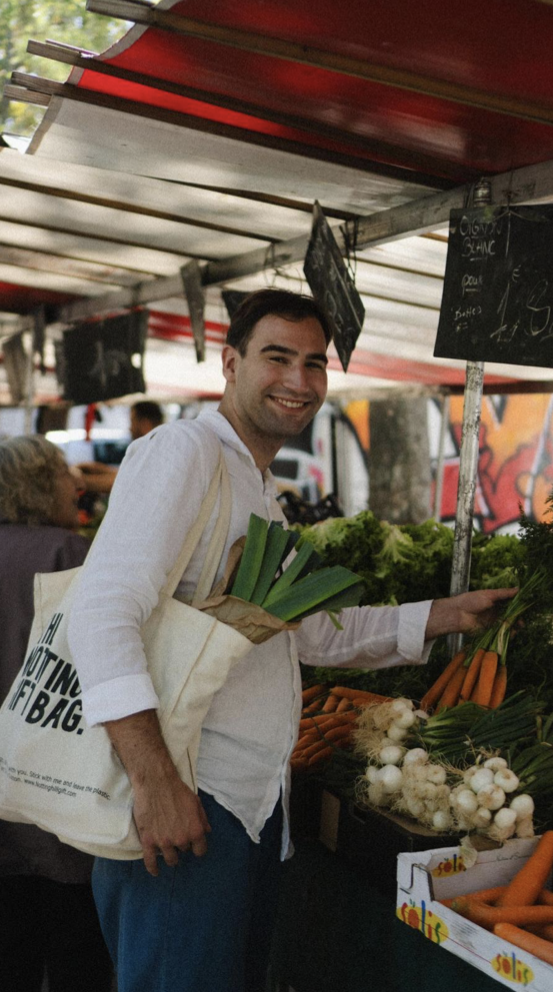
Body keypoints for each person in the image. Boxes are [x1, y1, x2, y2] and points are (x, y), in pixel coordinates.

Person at [67, 289, 516, 992]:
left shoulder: (254, 480)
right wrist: (155, 783)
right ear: (229, 362)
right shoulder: (185, 453)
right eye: (277, 357)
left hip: (240, 811)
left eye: (315, 364)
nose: (299, 381)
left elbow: (300, 633)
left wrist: (442, 615)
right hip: (185, 800)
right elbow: (98, 611)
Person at [0, 435, 114, 992]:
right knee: (75, 960)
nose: (76, 485)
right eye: (64, 474)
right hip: (53, 793)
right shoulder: (67, 554)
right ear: (39, 486)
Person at [76, 399, 165, 494]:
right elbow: (126, 474)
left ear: (145, 424)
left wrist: (77, 480)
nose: (130, 429)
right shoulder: (155, 448)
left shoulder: (158, 452)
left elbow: (126, 481)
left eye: (132, 422)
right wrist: (93, 468)